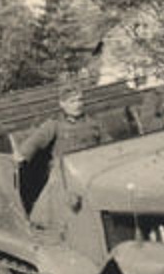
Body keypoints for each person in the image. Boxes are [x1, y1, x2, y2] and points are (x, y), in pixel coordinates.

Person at [13, 81, 109, 229]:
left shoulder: (93, 122)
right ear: (62, 104)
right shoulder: (53, 125)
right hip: (64, 176)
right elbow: (33, 143)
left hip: (91, 170)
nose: (78, 104)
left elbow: (108, 143)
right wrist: (21, 155)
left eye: (80, 100)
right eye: (72, 101)